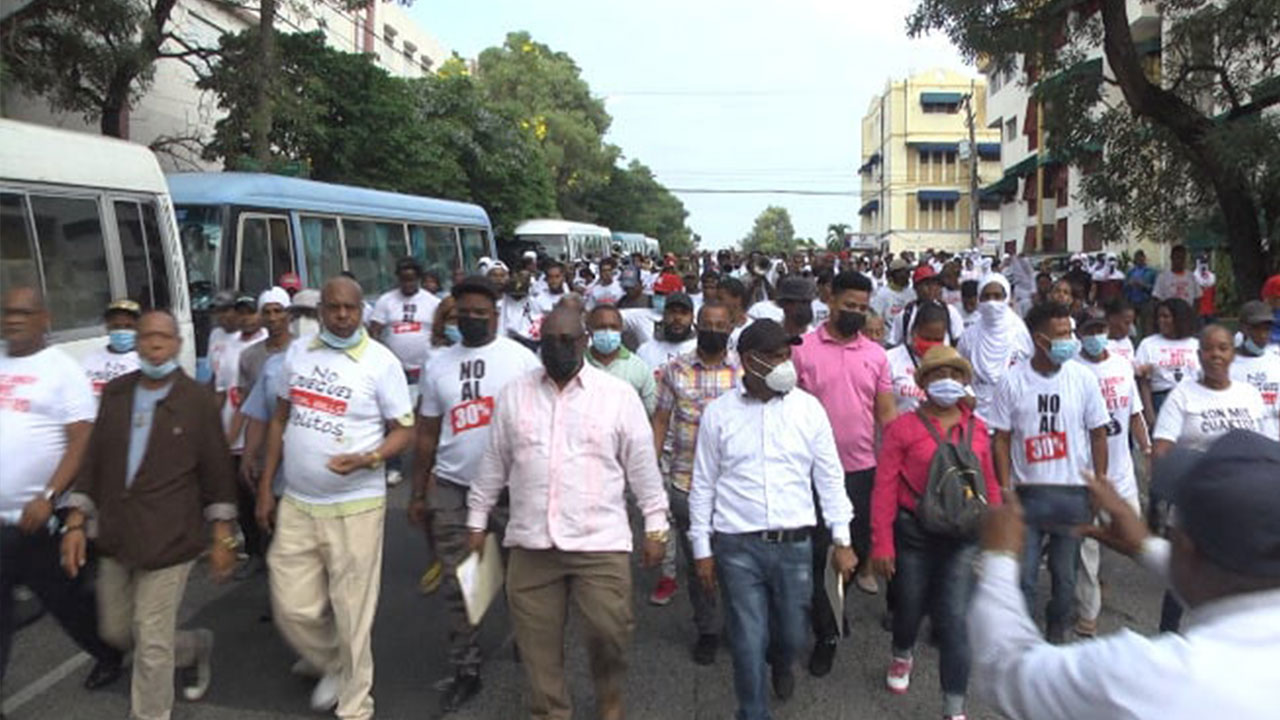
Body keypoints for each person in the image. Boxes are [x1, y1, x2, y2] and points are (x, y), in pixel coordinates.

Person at [970, 430, 1280, 720]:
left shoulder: (1148, 677)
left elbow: (1006, 669)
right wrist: (1145, 547)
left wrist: (999, 557)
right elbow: (1227, 581)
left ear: (1186, 545)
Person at [467, 307, 669, 720]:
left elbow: (643, 467)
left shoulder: (617, 396)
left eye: (567, 339)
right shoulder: (515, 394)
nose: (559, 347)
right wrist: (476, 518)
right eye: (550, 340)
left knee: (610, 633)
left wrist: (655, 526)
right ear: (540, 343)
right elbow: (494, 462)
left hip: (600, 541)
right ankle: (551, 710)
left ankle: (609, 698)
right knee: (536, 647)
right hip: (531, 542)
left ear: (584, 341)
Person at [62, 310, 237, 720]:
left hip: (171, 538)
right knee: (117, 630)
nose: (154, 344)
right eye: (146, 337)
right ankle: (193, 646)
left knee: (151, 641)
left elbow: (217, 471)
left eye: (163, 337)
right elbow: (94, 461)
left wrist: (223, 536)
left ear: (177, 344)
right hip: (117, 533)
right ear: (137, 343)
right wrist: (76, 520)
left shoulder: (195, 400)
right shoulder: (117, 393)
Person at [258, 277, 415, 720]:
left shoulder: (381, 362)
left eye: (350, 307)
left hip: (356, 505)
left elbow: (404, 430)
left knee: (352, 610)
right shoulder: (298, 353)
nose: (342, 315)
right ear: (320, 311)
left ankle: (355, 704)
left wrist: (370, 458)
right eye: (333, 307)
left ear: (362, 311)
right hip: (298, 501)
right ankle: (332, 660)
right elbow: (279, 419)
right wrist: (267, 487)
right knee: (291, 604)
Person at [688, 319, 855, 720]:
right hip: (737, 546)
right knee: (747, 639)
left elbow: (829, 476)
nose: (786, 364)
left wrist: (842, 538)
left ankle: (781, 662)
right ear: (750, 361)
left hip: (794, 546)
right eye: (776, 357)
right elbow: (703, 483)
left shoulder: (808, 409)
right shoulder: (719, 414)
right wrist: (701, 548)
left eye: (787, 356)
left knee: (791, 634)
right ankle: (752, 711)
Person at [409, 276, 541, 711]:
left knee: (522, 577)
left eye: (480, 314)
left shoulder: (521, 360)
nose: (470, 320)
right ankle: (466, 667)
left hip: (511, 490)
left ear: (495, 316)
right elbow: (427, 433)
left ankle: (530, 648)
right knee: (459, 582)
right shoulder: (438, 365)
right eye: (463, 312)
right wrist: (418, 491)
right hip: (454, 489)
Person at [0, 287, 124, 693]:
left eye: (23, 313)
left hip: (39, 519)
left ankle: (108, 653)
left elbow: (81, 441)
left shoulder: (62, 370)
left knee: (67, 602)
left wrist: (50, 496)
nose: (13, 319)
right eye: (7, 312)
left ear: (44, 319)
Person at [870, 346, 1001, 720]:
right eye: (939, 374)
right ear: (923, 382)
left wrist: (996, 535)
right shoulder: (902, 429)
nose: (948, 381)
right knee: (909, 606)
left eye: (955, 375)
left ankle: (954, 706)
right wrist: (882, 543)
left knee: (955, 619)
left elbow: (988, 483)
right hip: (915, 534)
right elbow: (884, 488)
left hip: (963, 537)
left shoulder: (977, 429)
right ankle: (902, 652)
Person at [793, 270, 896, 674]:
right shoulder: (802, 349)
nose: (855, 312)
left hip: (861, 471)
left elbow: (886, 414)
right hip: (809, 473)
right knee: (820, 553)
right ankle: (827, 633)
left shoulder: (876, 355)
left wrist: (894, 463)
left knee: (857, 552)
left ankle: (831, 607)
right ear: (830, 300)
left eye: (862, 307)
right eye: (848, 304)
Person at [988, 302, 1109, 643]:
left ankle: (1057, 634)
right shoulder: (1012, 381)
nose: (1070, 340)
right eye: (1061, 335)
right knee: (1024, 577)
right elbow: (1001, 439)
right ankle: (1025, 643)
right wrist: (1005, 489)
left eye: (1070, 332)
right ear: (1040, 341)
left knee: (1065, 578)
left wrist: (1099, 484)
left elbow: (1099, 434)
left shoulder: (1083, 379)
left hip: (1073, 495)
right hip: (1027, 496)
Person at [648, 301, 740, 659]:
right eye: (708, 324)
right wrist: (651, 466)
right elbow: (661, 419)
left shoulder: (743, 369)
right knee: (699, 563)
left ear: (730, 328)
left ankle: (739, 625)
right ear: (697, 327)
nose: (714, 331)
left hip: (734, 485)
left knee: (736, 563)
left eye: (721, 325)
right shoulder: (676, 369)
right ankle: (708, 629)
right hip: (687, 482)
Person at [1072, 308, 1150, 638]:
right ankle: (1087, 610)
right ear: (1079, 335)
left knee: (1130, 536)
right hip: (1086, 474)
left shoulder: (1120, 365)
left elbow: (1134, 413)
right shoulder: (1073, 370)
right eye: (1089, 330)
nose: (1095, 336)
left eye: (1100, 329)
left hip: (1122, 472)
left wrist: (1146, 448)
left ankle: (1099, 577)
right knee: (1086, 546)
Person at [229, 287, 294, 577]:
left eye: (278, 311)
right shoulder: (251, 357)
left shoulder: (302, 352)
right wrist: (247, 452)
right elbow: (250, 407)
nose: (273, 317)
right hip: (266, 447)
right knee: (268, 509)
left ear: (288, 315)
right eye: (267, 312)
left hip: (298, 448)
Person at [957, 274, 1034, 422]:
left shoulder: (1020, 334)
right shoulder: (969, 336)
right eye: (986, 297)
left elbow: (1030, 373)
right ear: (979, 299)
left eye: (997, 296)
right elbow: (959, 372)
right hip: (978, 415)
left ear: (1007, 298)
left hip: (1014, 413)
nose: (992, 302)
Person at [369, 257, 441, 397]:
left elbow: (441, 332)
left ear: (419, 279)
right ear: (398, 279)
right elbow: (374, 332)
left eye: (411, 280)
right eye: (404, 280)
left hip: (424, 369)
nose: (408, 284)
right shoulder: (386, 300)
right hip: (395, 370)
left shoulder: (433, 302)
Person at [214, 294, 265, 474]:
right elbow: (220, 391)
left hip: (256, 439)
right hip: (230, 439)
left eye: (251, 313)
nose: (246, 318)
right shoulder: (227, 347)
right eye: (241, 313)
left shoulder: (266, 344)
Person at [1135, 298, 1200, 429]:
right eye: (1159, 317)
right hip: (1162, 399)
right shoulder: (1148, 344)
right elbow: (1144, 382)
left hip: (1192, 399)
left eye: (1166, 317)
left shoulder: (1195, 344)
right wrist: (1149, 414)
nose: (1161, 321)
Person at [585, 303, 657, 415]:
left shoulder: (639, 367)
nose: (607, 332)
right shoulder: (579, 364)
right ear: (589, 329)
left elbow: (651, 412)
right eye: (601, 327)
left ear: (621, 329)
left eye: (613, 327)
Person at [886, 302, 951, 413]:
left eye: (937, 340)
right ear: (913, 332)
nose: (931, 345)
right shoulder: (890, 359)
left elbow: (970, 401)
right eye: (927, 339)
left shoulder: (951, 361)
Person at [1231, 301, 1280, 440]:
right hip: (1242, 440)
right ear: (1243, 328)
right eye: (1257, 329)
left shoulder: (1276, 361)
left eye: (1267, 329)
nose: (1263, 335)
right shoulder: (1228, 364)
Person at [889, 265, 964, 347]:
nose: (932, 288)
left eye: (935, 284)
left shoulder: (949, 311)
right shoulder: (905, 315)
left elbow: (959, 342)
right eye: (927, 284)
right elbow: (894, 343)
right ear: (916, 287)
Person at [82, 298, 142, 400]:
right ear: (108, 327)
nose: (122, 331)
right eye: (116, 326)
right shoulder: (90, 359)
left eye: (128, 326)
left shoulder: (145, 362)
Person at [637, 292, 698, 372]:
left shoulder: (700, 349)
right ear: (664, 315)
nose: (677, 318)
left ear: (692, 317)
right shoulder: (645, 350)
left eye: (684, 313)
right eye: (672, 312)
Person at [498, 271, 544, 351]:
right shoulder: (498, 307)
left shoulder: (535, 305)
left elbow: (537, 329)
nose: (517, 298)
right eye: (514, 296)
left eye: (520, 296)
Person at [870, 258, 916, 331]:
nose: (908, 275)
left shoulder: (912, 293)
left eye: (908, 272)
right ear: (894, 274)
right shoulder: (882, 294)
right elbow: (875, 317)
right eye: (904, 272)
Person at [204, 289, 238, 385]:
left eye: (225, 311)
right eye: (217, 311)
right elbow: (215, 374)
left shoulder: (247, 337)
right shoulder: (215, 335)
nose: (220, 315)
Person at [1125, 249, 1158, 335]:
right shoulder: (1131, 272)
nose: (1139, 260)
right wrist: (1129, 284)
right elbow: (1124, 286)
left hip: (1146, 301)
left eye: (1141, 258)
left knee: (1146, 325)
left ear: (1144, 258)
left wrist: (1144, 285)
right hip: (1132, 301)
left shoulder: (1151, 272)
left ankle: (1146, 339)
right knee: (1131, 325)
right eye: (1137, 258)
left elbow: (1156, 288)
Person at [1103, 298, 1137, 366]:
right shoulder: (1098, 343)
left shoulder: (1127, 342)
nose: (1130, 328)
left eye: (1131, 323)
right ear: (1112, 319)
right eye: (1127, 323)